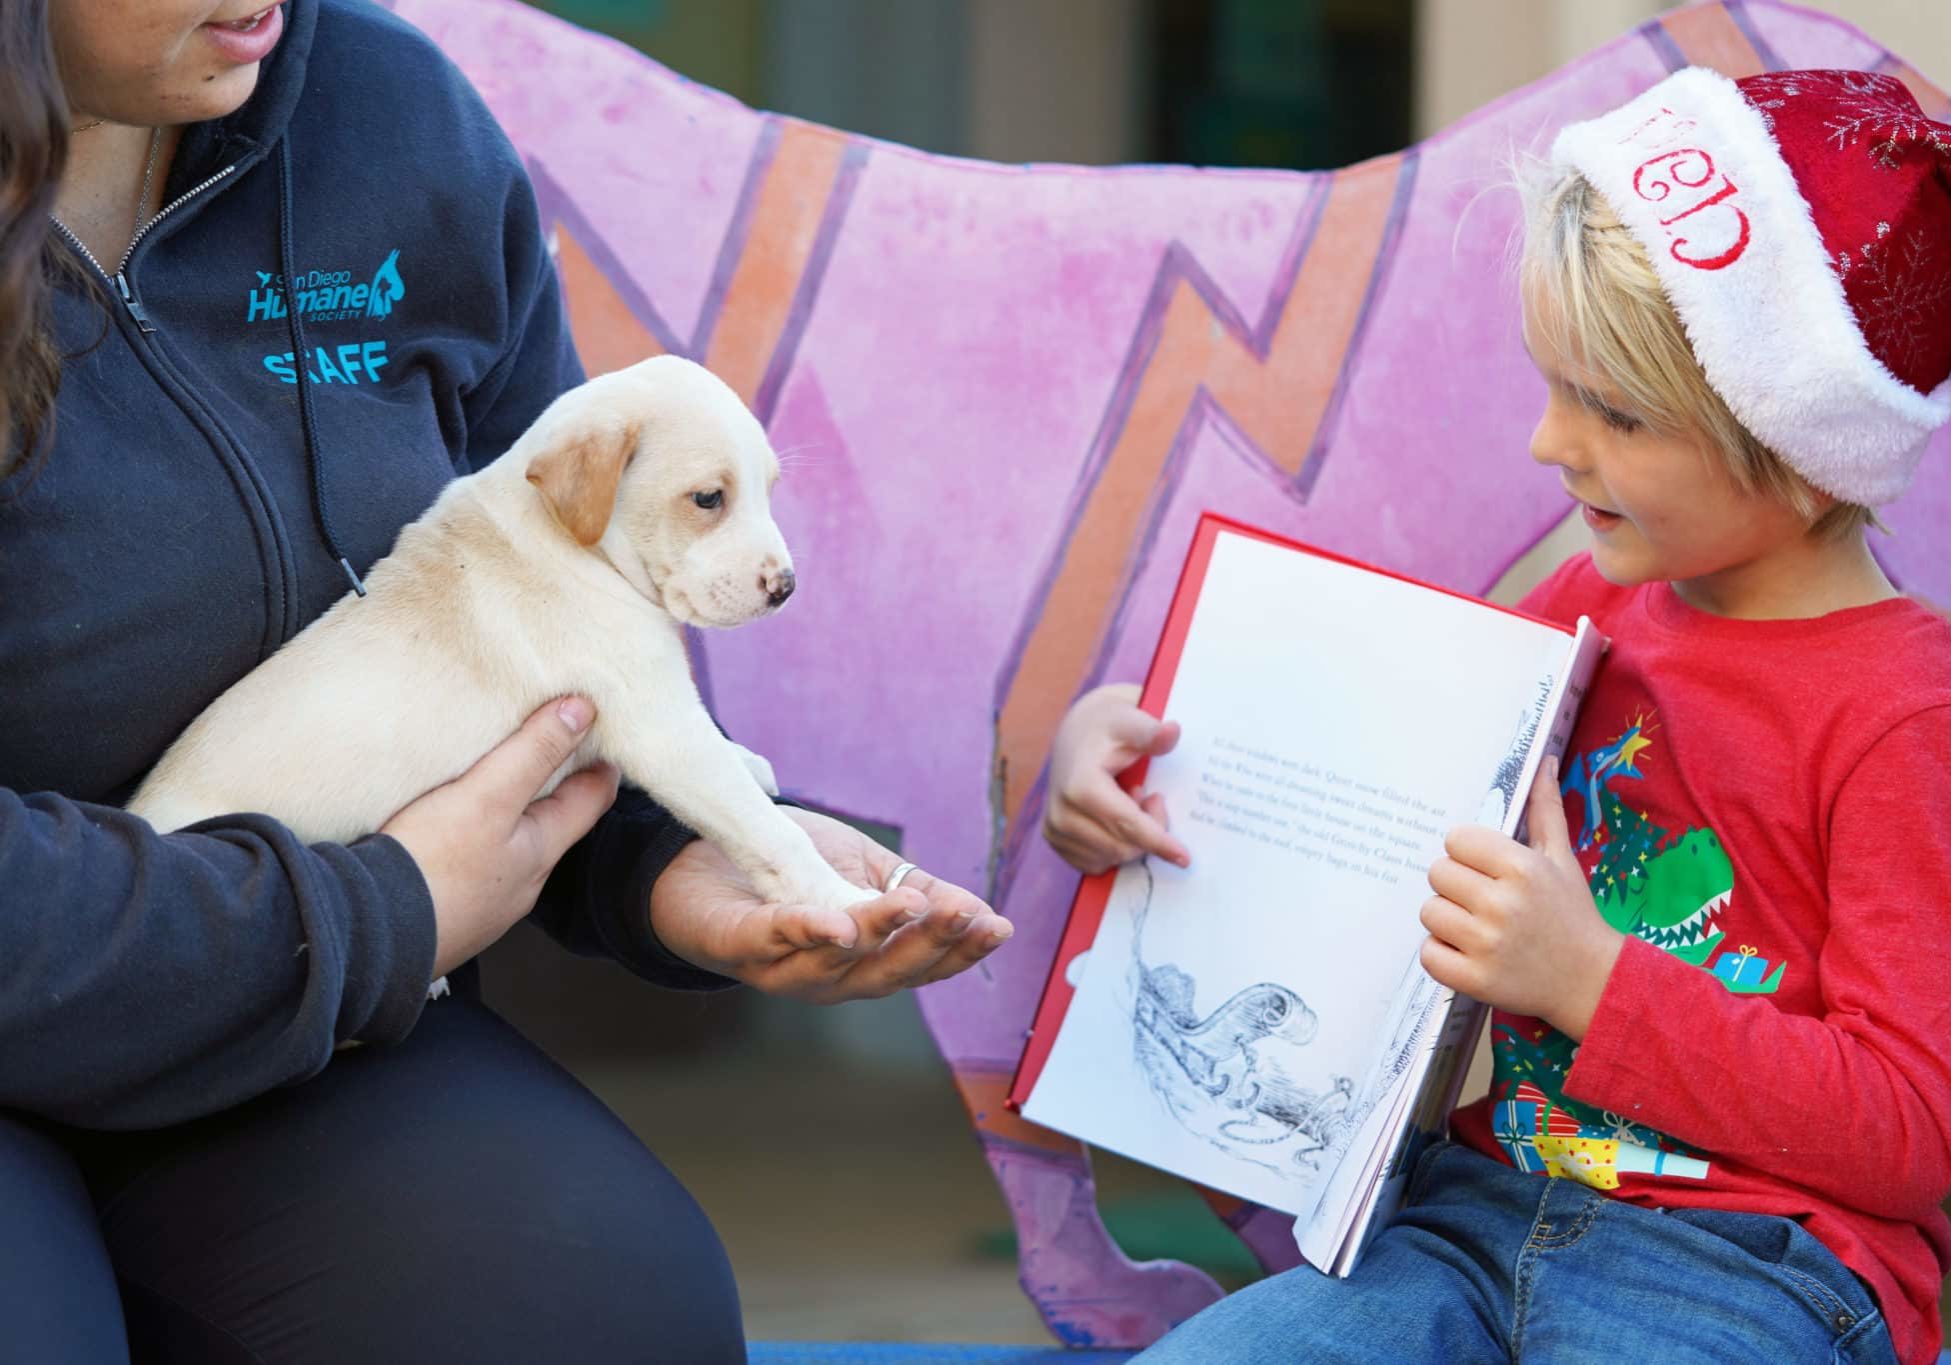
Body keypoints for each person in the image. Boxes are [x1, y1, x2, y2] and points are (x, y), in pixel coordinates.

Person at [0, 1, 1011, 1360]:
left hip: (305, 1014)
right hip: (208, 953)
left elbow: (568, 589)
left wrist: (668, 859)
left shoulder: (390, 115)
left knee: (594, 1299)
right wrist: (383, 907)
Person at [1047, 66, 1951, 1364]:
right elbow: (1366, 779)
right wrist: (1133, 760)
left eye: (1614, 412)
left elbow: (1911, 1127)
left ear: (1806, 454)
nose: (1549, 443)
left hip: (1754, 1271)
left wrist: (1590, 981)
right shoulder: (1591, 603)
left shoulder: (1906, 710)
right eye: (1554, 386)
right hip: (1465, 1228)